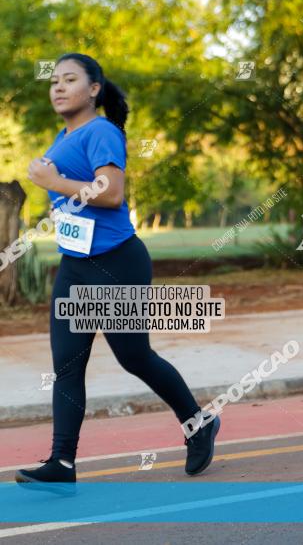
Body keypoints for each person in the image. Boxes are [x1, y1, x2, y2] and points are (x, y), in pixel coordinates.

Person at [14, 53, 220, 493]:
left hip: (115, 263)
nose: (57, 87)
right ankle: (62, 462)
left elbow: (110, 193)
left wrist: (53, 184)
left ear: (93, 90)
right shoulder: (63, 133)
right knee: (67, 366)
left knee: (134, 358)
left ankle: (199, 423)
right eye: (53, 81)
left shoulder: (102, 131)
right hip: (74, 266)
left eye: (69, 80)